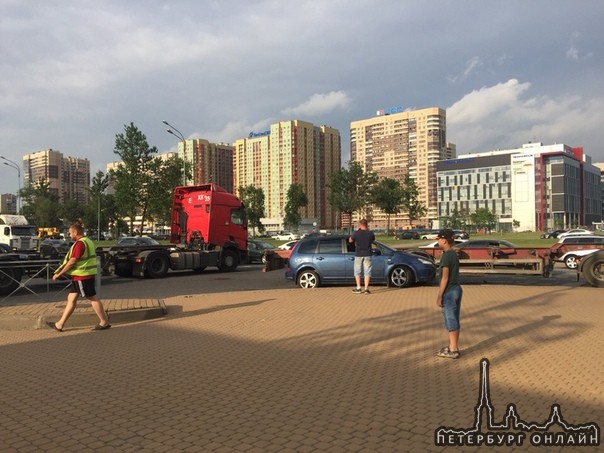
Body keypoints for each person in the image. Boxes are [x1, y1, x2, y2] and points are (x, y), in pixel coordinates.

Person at [47, 223, 111, 332]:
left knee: (92, 298)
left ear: (76, 232)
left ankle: (104, 322)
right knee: (71, 299)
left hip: (82, 276)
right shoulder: (88, 241)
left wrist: (60, 273)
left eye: (70, 232)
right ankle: (60, 324)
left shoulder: (80, 244)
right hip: (82, 276)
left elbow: (72, 261)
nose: (69, 234)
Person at [435, 228, 462, 358]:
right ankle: (453, 345)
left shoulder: (446, 256)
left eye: (439, 239)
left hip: (449, 291)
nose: (438, 241)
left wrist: (439, 296)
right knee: (454, 318)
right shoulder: (453, 254)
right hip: (457, 288)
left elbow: (445, 277)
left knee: (450, 319)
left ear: (444, 240)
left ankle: (453, 349)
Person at [348, 218, 375, 294]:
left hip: (358, 254)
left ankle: (359, 287)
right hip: (368, 254)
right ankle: (366, 288)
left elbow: (350, 240)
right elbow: (372, 240)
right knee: (367, 271)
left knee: (357, 271)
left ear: (360, 224)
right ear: (367, 225)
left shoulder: (356, 233)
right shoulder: (370, 233)